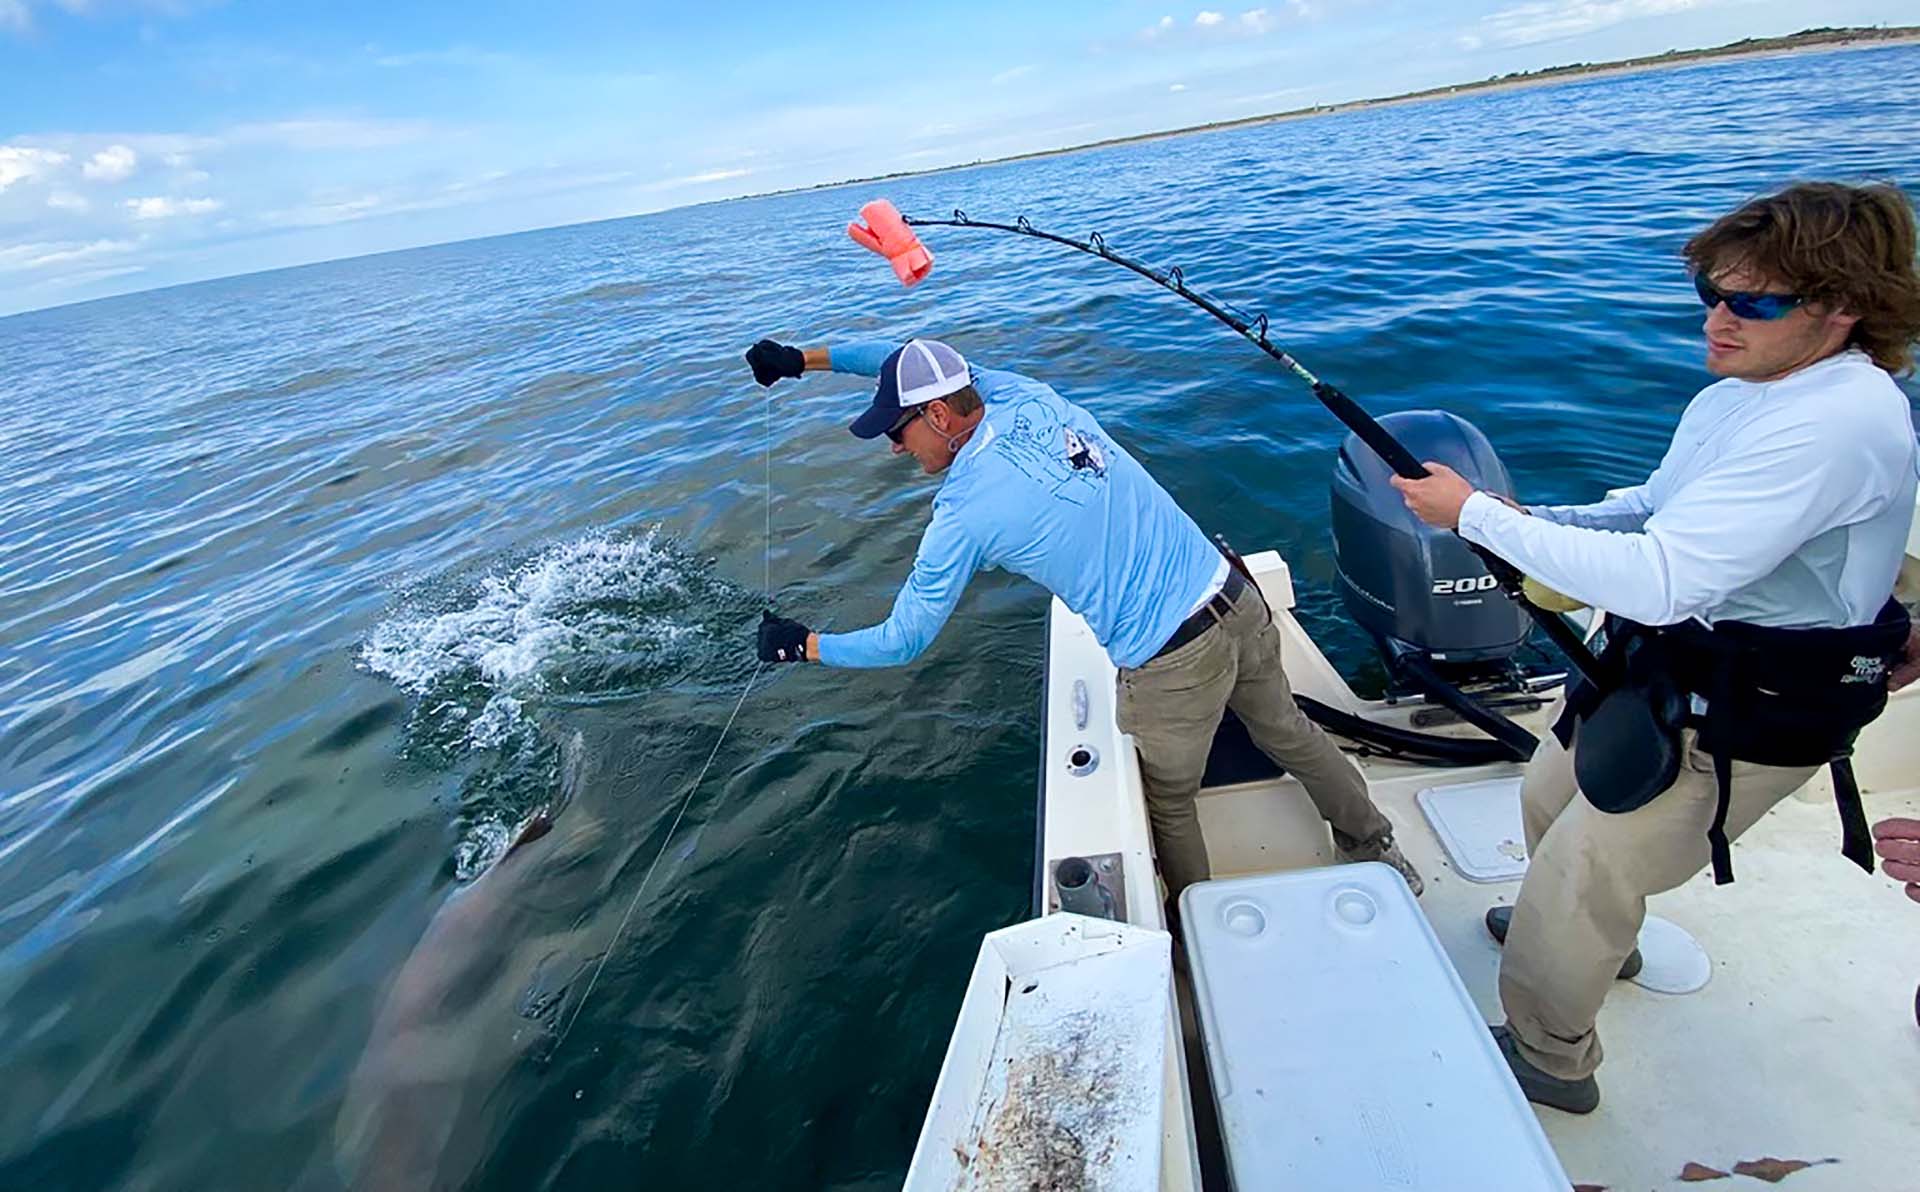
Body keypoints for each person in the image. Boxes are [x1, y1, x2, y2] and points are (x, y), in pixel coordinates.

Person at [1394, 181, 1920, 1114]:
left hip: (1751, 704)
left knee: (1580, 872)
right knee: (1548, 792)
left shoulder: (1838, 424)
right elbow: (1652, 506)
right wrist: (1529, 519)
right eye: (1711, 294)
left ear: (1844, 310)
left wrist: (1470, 511)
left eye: (1753, 303)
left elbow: (1664, 576)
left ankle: (1551, 1057)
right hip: (1662, 667)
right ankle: (1596, 940)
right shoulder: (1751, 388)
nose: (1719, 319)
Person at [741, 334, 1423, 912]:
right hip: (1234, 597)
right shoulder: (1023, 395)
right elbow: (904, 357)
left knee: (1171, 801)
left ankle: (1201, 927)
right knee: (1291, 734)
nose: (892, 446)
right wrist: (801, 360)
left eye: (898, 428)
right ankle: (1379, 847)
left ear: (944, 416)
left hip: (1171, 662)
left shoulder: (961, 515)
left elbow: (905, 639)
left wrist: (802, 646)